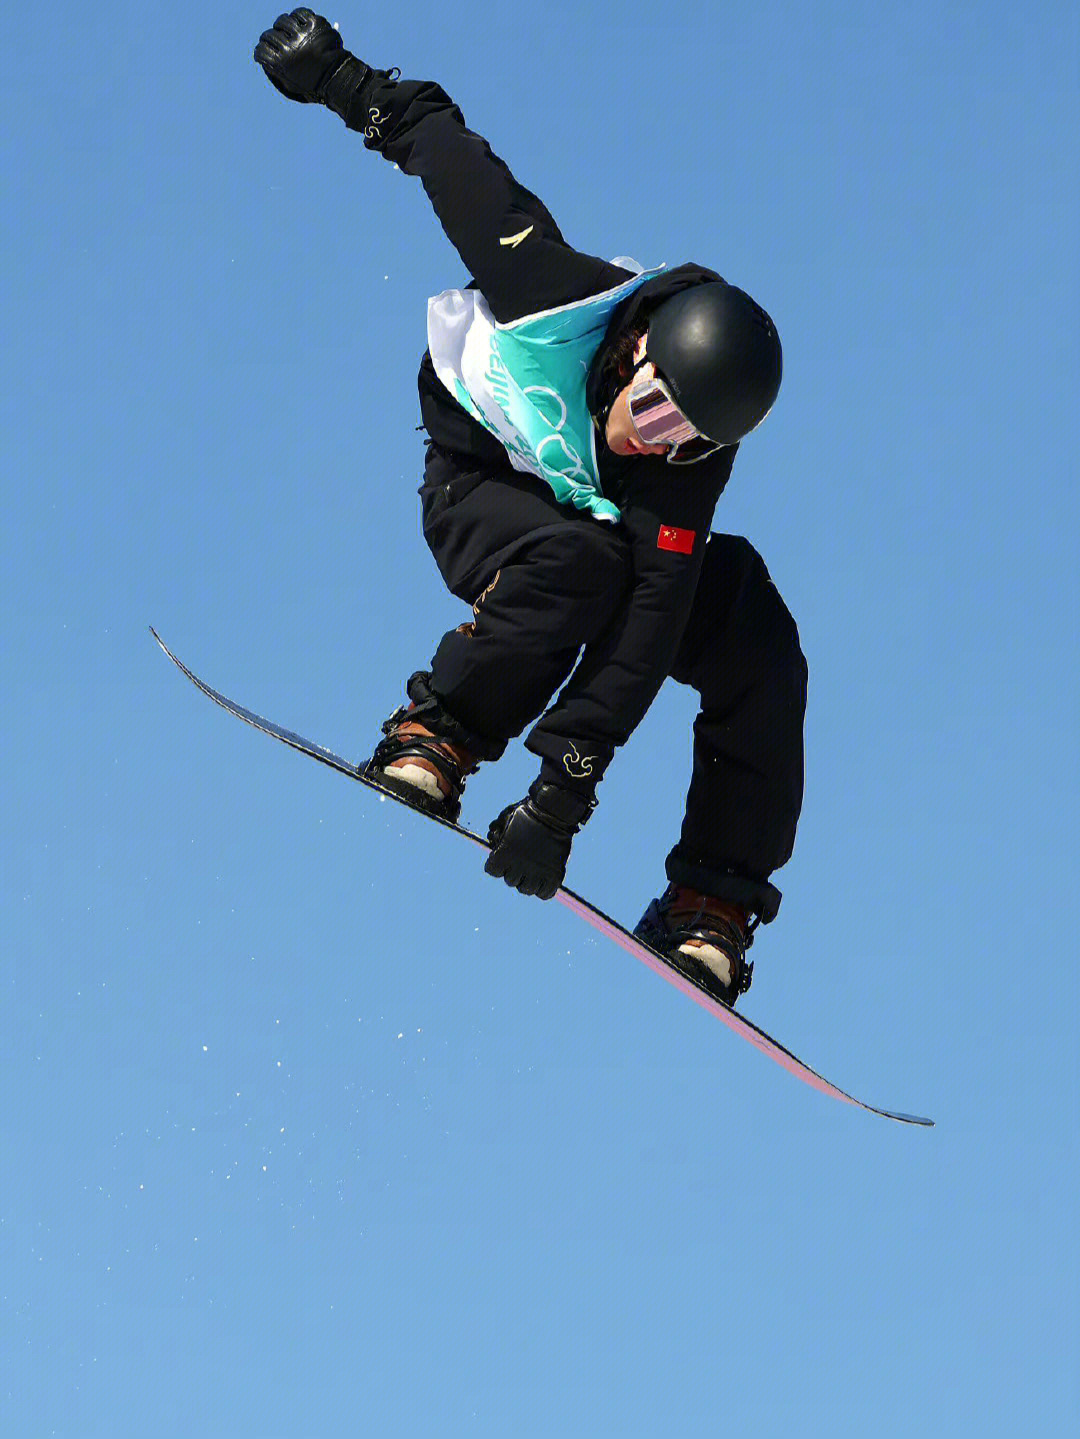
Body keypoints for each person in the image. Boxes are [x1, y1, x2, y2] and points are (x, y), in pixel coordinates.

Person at [254, 10, 808, 1007]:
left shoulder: (686, 467)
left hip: (598, 544)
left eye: (688, 439)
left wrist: (564, 790)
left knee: (755, 633)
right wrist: (335, 74)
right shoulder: (541, 283)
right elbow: (439, 142)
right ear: (638, 351)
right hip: (481, 490)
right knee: (582, 561)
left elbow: (653, 625)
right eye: (653, 408)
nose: (656, 440)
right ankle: (439, 731)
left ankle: (709, 903)